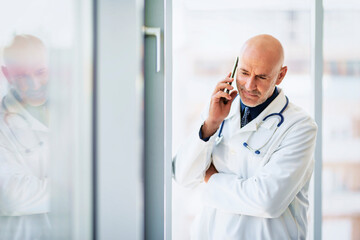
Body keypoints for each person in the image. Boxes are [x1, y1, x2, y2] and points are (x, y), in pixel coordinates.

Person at [172, 34, 318, 240]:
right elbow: (182, 176)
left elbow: (267, 201)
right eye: (244, 72)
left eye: (262, 77)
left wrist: (210, 177)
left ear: (280, 75)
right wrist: (210, 125)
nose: (249, 85)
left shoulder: (300, 127)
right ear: (234, 67)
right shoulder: (219, 109)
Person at [0, 34, 50, 240]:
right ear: (6, 73)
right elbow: (12, 198)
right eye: (21, 75)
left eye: (41, 71)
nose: (34, 84)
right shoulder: (4, 126)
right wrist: (76, 190)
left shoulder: (78, 116)